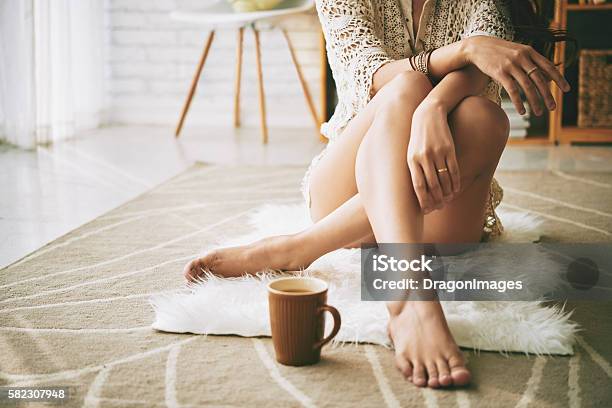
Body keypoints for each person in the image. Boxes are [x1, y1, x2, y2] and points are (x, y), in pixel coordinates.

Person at [184, 0, 571, 389]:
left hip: (441, 199)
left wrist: (433, 108)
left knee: (483, 118)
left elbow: (484, 65)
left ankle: (302, 247)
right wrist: (466, 49)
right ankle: (409, 297)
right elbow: (373, 74)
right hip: (346, 185)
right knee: (406, 85)